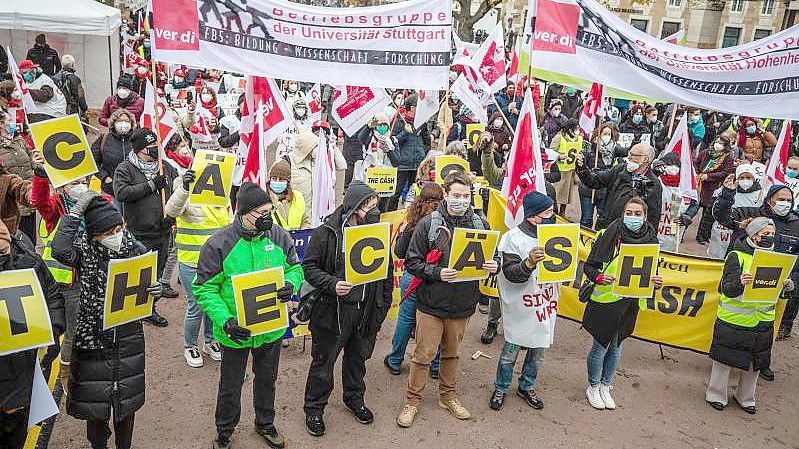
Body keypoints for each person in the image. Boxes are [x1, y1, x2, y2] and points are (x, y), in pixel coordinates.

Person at [193, 183, 304, 449]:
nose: (268, 217)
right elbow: (204, 287)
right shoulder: (218, 244)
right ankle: (224, 431)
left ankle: (265, 423)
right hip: (235, 332)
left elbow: (295, 269)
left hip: (271, 330)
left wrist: (291, 285)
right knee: (230, 386)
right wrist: (225, 321)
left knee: (268, 380)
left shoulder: (279, 236)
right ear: (243, 213)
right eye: (261, 212)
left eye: (270, 210)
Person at [52, 193, 157, 449]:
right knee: (95, 406)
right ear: (94, 235)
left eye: (119, 228)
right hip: (92, 341)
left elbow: (145, 296)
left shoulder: (135, 249)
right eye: (109, 231)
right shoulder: (83, 252)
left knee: (126, 405)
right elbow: (59, 249)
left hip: (127, 339)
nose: (117, 234)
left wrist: (156, 291)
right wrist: (76, 211)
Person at [397, 171, 499, 428]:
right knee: (423, 355)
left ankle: (448, 396)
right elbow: (412, 261)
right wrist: (437, 272)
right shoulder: (428, 224)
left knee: (452, 355)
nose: (461, 200)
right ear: (446, 194)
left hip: (462, 305)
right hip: (431, 303)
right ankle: (412, 401)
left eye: (465, 196)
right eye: (456, 195)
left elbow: (494, 256)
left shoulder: (480, 224)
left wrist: (493, 265)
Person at [301, 181, 393, 436]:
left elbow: (387, 273)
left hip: (365, 312)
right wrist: (332, 284)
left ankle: (354, 399)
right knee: (323, 363)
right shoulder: (326, 233)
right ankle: (314, 409)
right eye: (368, 206)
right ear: (353, 207)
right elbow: (309, 267)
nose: (373, 211)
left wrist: (382, 306)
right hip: (334, 313)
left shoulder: (377, 233)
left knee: (357, 361)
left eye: (375, 206)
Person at [581, 197, 663, 410]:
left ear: (645, 216)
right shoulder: (608, 235)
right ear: (622, 213)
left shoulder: (651, 239)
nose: (633, 217)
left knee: (617, 346)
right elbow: (589, 268)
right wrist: (599, 278)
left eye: (638, 214)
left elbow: (651, 270)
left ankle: (606, 385)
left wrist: (656, 279)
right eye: (629, 212)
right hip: (606, 301)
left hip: (630, 302)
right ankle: (593, 385)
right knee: (600, 345)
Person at [706, 217, 791, 414]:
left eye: (771, 234)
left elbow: (777, 293)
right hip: (734, 320)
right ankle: (716, 394)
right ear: (753, 234)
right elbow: (725, 288)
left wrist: (786, 288)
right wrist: (740, 282)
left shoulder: (777, 259)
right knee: (723, 360)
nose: (769, 237)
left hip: (762, 321)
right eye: (765, 234)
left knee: (756, 363)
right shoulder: (736, 256)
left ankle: (745, 397)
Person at [489, 191, 558, 411]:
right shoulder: (512, 238)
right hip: (521, 306)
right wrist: (528, 263)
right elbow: (510, 273)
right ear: (533, 216)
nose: (553, 215)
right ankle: (501, 386)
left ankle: (526, 386)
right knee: (510, 353)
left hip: (544, 304)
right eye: (548, 212)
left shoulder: (555, 235)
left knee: (538, 352)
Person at [0, 214, 65, 449]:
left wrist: (53, 333)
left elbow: (53, 297)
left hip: (22, 380)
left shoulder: (26, 256)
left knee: (17, 436)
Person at [713, 183, 799, 355]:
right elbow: (722, 216)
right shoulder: (751, 213)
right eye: (781, 199)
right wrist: (728, 193)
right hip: (744, 283)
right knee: (735, 326)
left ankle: (760, 362)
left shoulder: (797, 223)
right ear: (769, 200)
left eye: (789, 200)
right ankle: (728, 357)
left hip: (776, 289)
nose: (785, 203)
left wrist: (793, 285)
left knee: (766, 331)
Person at [113, 129, 179, 327]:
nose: (155, 152)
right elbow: (121, 192)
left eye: (156, 147)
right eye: (151, 149)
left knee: (156, 274)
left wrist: (173, 218)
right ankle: (133, 310)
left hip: (163, 231)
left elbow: (176, 194)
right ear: (140, 150)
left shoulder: (165, 167)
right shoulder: (125, 168)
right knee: (138, 274)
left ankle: (149, 308)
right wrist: (151, 185)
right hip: (138, 232)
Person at [384, 183, 444, 377]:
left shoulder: (413, 223)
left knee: (405, 320)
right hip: (436, 278)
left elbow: (399, 252)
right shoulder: (446, 223)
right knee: (437, 323)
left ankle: (395, 361)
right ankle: (435, 367)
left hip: (413, 277)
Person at [576, 142, 662, 230]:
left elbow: (653, 216)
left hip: (633, 234)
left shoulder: (653, 184)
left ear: (645, 159)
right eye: (629, 153)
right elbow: (595, 180)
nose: (629, 157)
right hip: (609, 227)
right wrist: (582, 168)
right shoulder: (619, 170)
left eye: (633, 155)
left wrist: (648, 238)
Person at [708, 164, 763, 259]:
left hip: (744, 235)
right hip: (722, 232)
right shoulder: (726, 189)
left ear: (754, 179)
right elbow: (713, 211)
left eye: (748, 177)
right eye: (742, 177)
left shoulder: (761, 194)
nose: (745, 180)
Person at [388, 94, 429, 211]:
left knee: (416, 192)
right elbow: (393, 141)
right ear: (411, 108)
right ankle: (390, 215)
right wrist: (405, 132)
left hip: (417, 164)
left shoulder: (421, 122)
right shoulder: (399, 120)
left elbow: (427, 141)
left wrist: (422, 153)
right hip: (402, 165)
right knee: (396, 193)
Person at [0, 109, 36, 242]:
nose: (14, 123)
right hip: (12, 206)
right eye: (9, 121)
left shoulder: (18, 140)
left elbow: (32, 160)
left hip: (28, 197)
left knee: (30, 243)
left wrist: (39, 163)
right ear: (1, 124)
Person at [92, 109, 139, 206]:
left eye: (126, 121)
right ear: (113, 123)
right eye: (119, 121)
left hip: (134, 190)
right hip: (111, 190)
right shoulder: (104, 139)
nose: (123, 124)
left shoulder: (137, 139)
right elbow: (93, 162)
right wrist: (104, 177)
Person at [579, 122, 621, 228]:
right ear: (598, 134)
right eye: (604, 134)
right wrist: (589, 171)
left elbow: (627, 152)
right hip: (587, 189)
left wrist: (635, 142)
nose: (606, 136)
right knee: (586, 219)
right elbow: (580, 166)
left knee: (602, 218)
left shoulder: (614, 149)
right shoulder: (589, 148)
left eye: (609, 134)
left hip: (604, 189)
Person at [654, 152, 699, 252]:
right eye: (669, 165)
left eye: (676, 165)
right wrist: (653, 171)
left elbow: (694, 203)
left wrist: (688, 215)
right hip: (656, 228)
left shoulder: (685, 186)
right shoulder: (656, 181)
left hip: (673, 231)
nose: (673, 168)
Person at [694, 135, 735, 244]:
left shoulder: (727, 157)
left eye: (721, 143)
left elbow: (726, 172)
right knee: (692, 208)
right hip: (699, 184)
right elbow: (696, 162)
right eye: (717, 142)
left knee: (707, 214)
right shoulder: (706, 152)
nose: (718, 145)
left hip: (713, 187)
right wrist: (698, 173)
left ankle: (702, 236)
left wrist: (709, 176)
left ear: (725, 146)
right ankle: (681, 232)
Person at [549, 118, 582, 216]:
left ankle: (562, 213)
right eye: (576, 128)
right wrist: (559, 156)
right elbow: (551, 151)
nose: (578, 130)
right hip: (560, 171)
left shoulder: (578, 138)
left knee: (566, 196)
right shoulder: (559, 137)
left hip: (571, 171)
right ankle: (553, 213)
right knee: (556, 194)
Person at [266, 159, 310, 230]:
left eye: (281, 179)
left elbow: (305, 221)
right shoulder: (264, 199)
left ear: (287, 182)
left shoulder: (298, 197)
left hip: (295, 240)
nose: (277, 181)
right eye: (274, 178)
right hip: (273, 240)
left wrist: (303, 231)